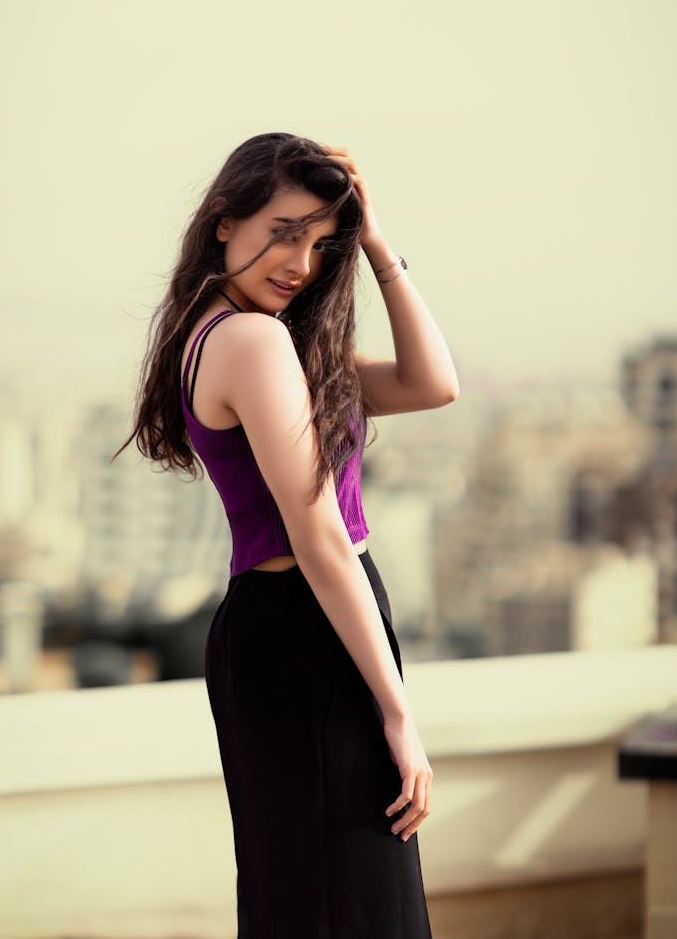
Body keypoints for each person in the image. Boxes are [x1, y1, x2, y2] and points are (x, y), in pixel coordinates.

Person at [114, 132, 459, 937]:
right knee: (353, 900)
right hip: (308, 628)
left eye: (319, 241)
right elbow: (320, 537)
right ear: (224, 222)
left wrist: (371, 239)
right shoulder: (252, 340)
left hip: (293, 630)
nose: (300, 261)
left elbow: (432, 382)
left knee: (309, 894)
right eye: (282, 230)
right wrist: (400, 713)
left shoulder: (250, 339)